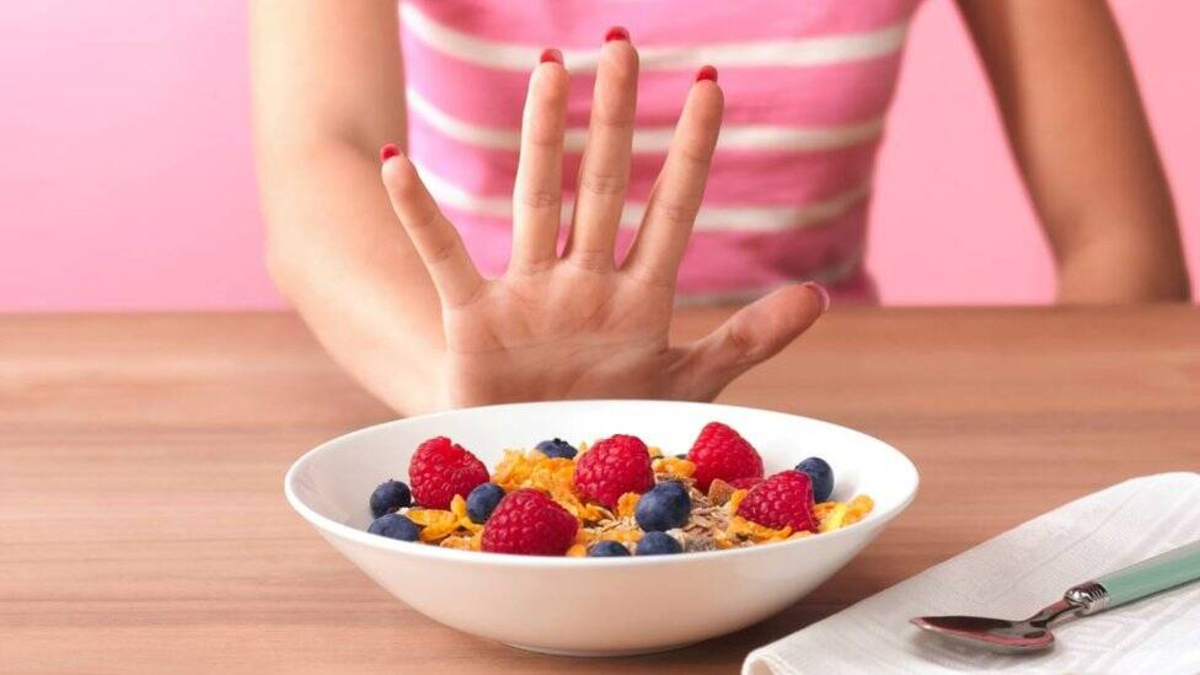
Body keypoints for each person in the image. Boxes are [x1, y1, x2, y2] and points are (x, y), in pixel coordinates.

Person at [249, 1, 1190, 414]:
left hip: (834, 428)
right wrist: (479, 398)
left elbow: (1119, 243)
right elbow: (319, 157)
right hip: (466, 405)